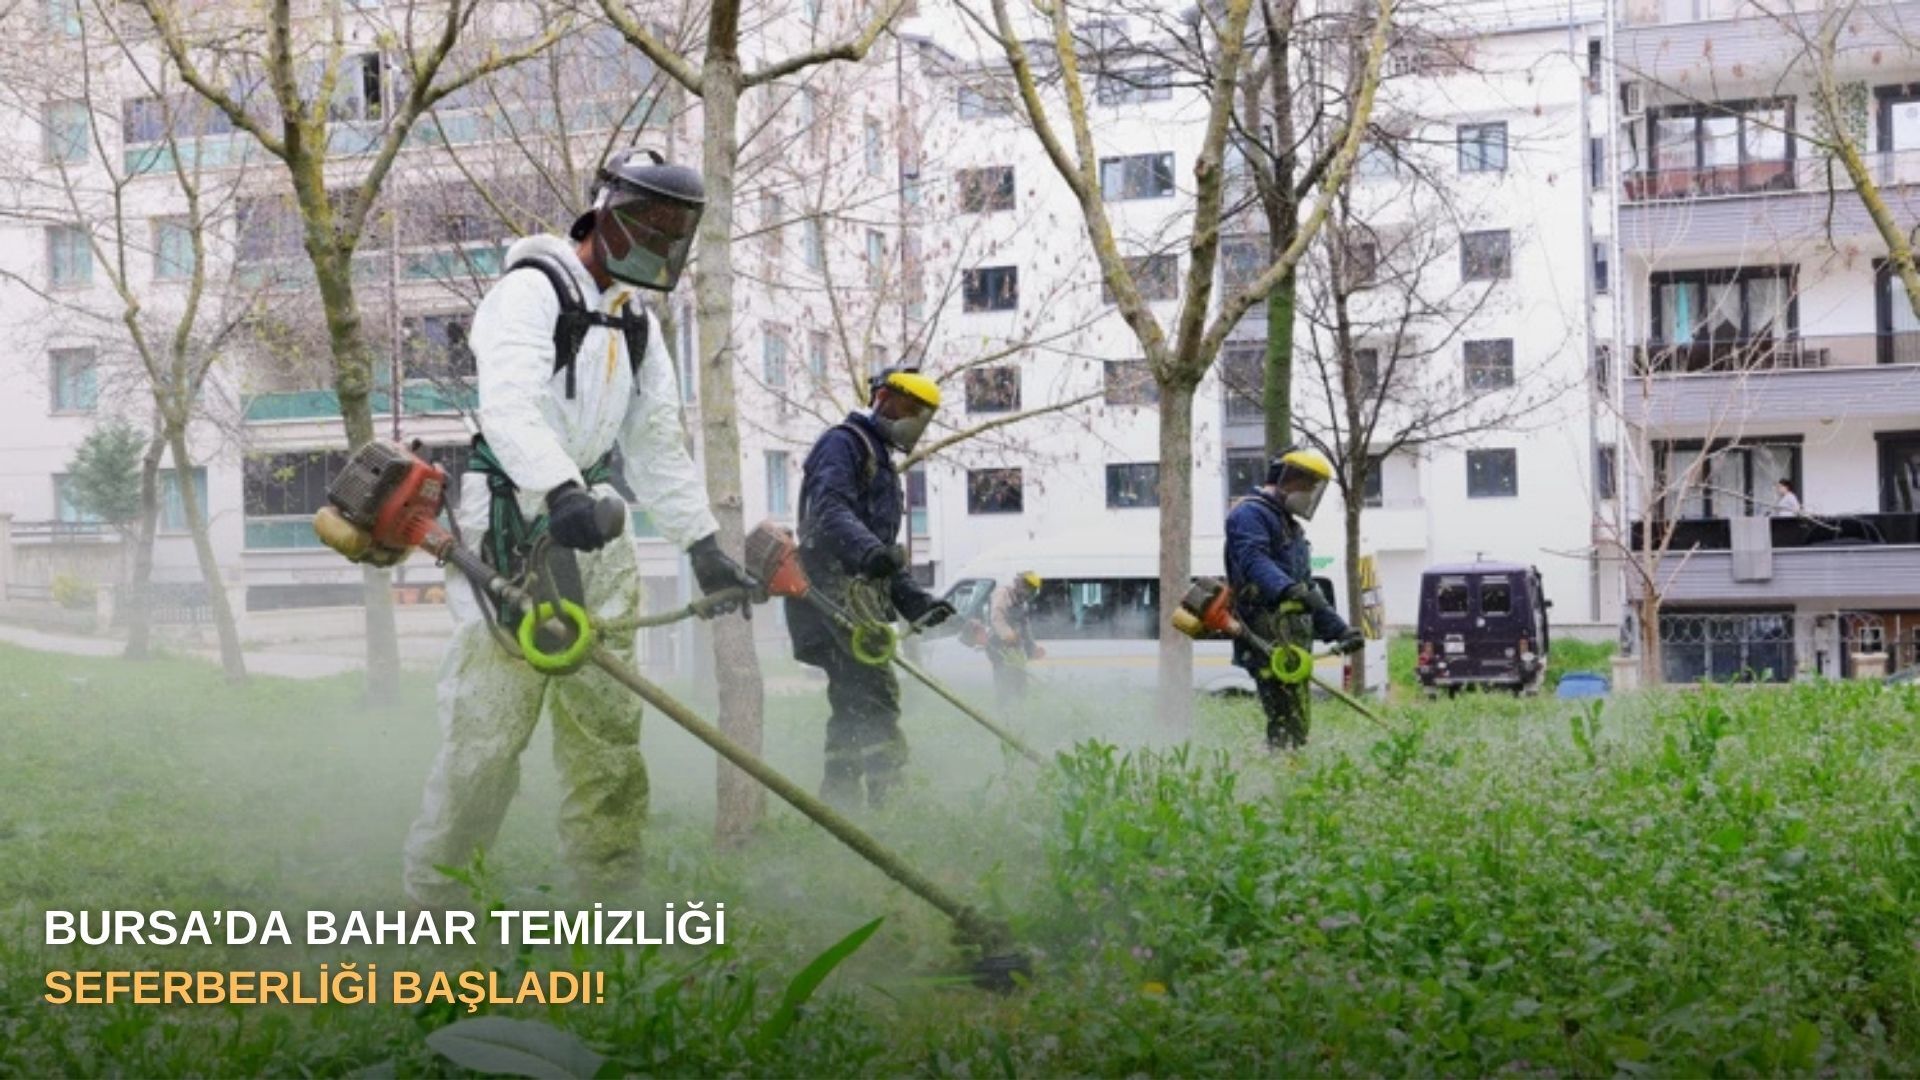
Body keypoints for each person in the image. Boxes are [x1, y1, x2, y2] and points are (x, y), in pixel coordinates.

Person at [402, 150, 755, 909]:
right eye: (645, 223)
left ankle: (606, 902)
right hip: (512, 525)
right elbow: (509, 406)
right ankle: (438, 910)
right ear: (604, 214)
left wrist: (702, 547)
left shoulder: (637, 322)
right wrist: (556, 485)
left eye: (672, 232)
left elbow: (658, 440)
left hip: (595, 527)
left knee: (607, 734)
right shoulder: (529, 292)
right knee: (487, 740)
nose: (656, 241)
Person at [787, 369, 955, 809]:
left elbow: (878, 553)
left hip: (857, 593)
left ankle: (838, 799)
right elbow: (828, 512)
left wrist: (914, 601)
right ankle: (890, 799)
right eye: (910, 410)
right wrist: (870, 553)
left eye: (922, 416)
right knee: (878, 694)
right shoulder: (843, 444)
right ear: (883, 397)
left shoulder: (880, 459)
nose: (914, 423)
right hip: (831, 592)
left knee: (849, 699)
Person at [1224, 447, 1365, 750]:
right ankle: (1280, 770)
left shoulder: (1290, 525)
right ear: (1287, 478)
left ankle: (1290, 765)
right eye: (1307, 486)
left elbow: (1306, 587)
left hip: (1292, 636)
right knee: (1284, 715)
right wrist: (1286, 589)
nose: (1309, 494)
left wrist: (1339, 630)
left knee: (1297, 717)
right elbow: (1253, 559)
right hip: (1264, 633)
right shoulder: (1249, 514)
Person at [979, 571, 1044, 710]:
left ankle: (1020, 709)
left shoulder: (1022, 602)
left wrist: (1031, 648)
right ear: (1021, 585)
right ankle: (1003, 711)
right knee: (1004, 677)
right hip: (998, 644)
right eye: (1029, 590)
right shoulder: (1003, 594)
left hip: (1014, 645)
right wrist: (1007, 634)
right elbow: (996, 617)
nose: (1029, 595)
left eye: (1033, 592)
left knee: (1020, 679)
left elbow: (1025, 626)